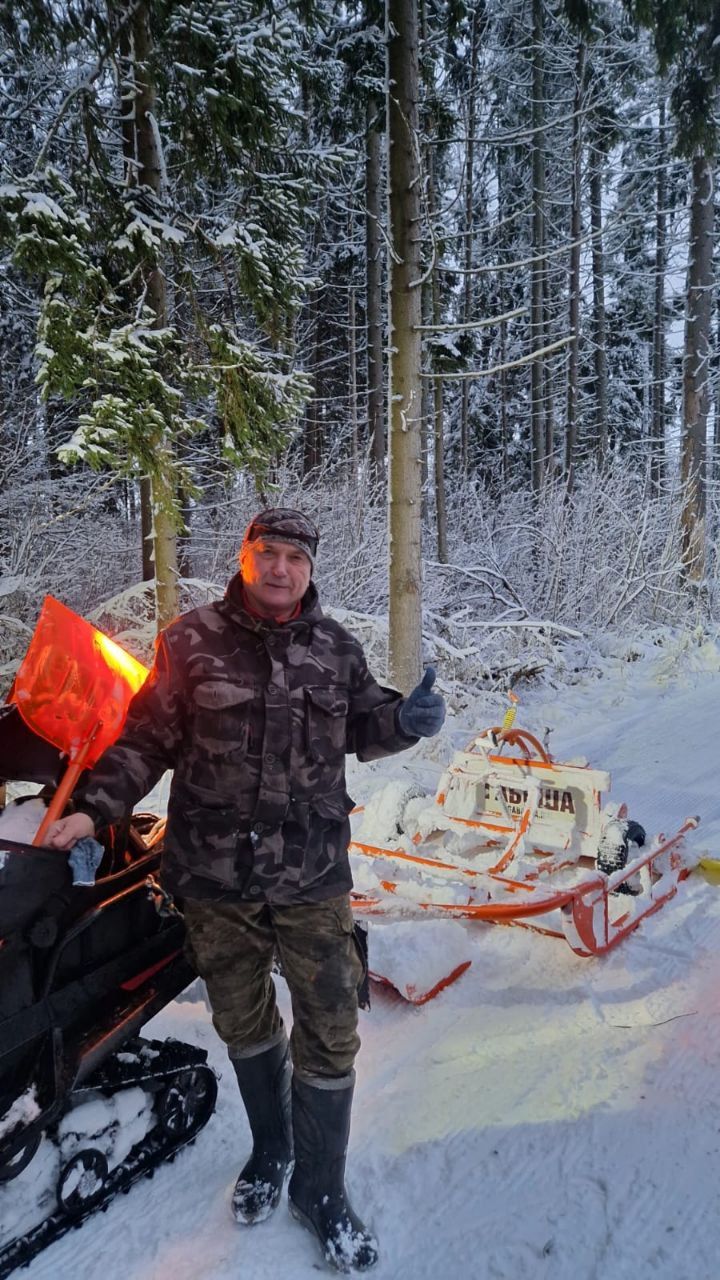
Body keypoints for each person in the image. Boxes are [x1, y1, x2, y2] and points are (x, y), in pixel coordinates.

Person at [47, 507, 446, 1273]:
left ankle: (320, 1189)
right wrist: (94, 810)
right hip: (215, 874)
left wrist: (407, 720)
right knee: (241, 1016)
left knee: (330, 1023)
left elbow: (368, 726)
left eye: (296, 556)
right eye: (268, 552)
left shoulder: (335, 649)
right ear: (244, 556)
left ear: (310, 568)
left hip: (310, 873)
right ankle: (272, 1149)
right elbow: (145, 740)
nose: (281, 568)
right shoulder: (189, 641)